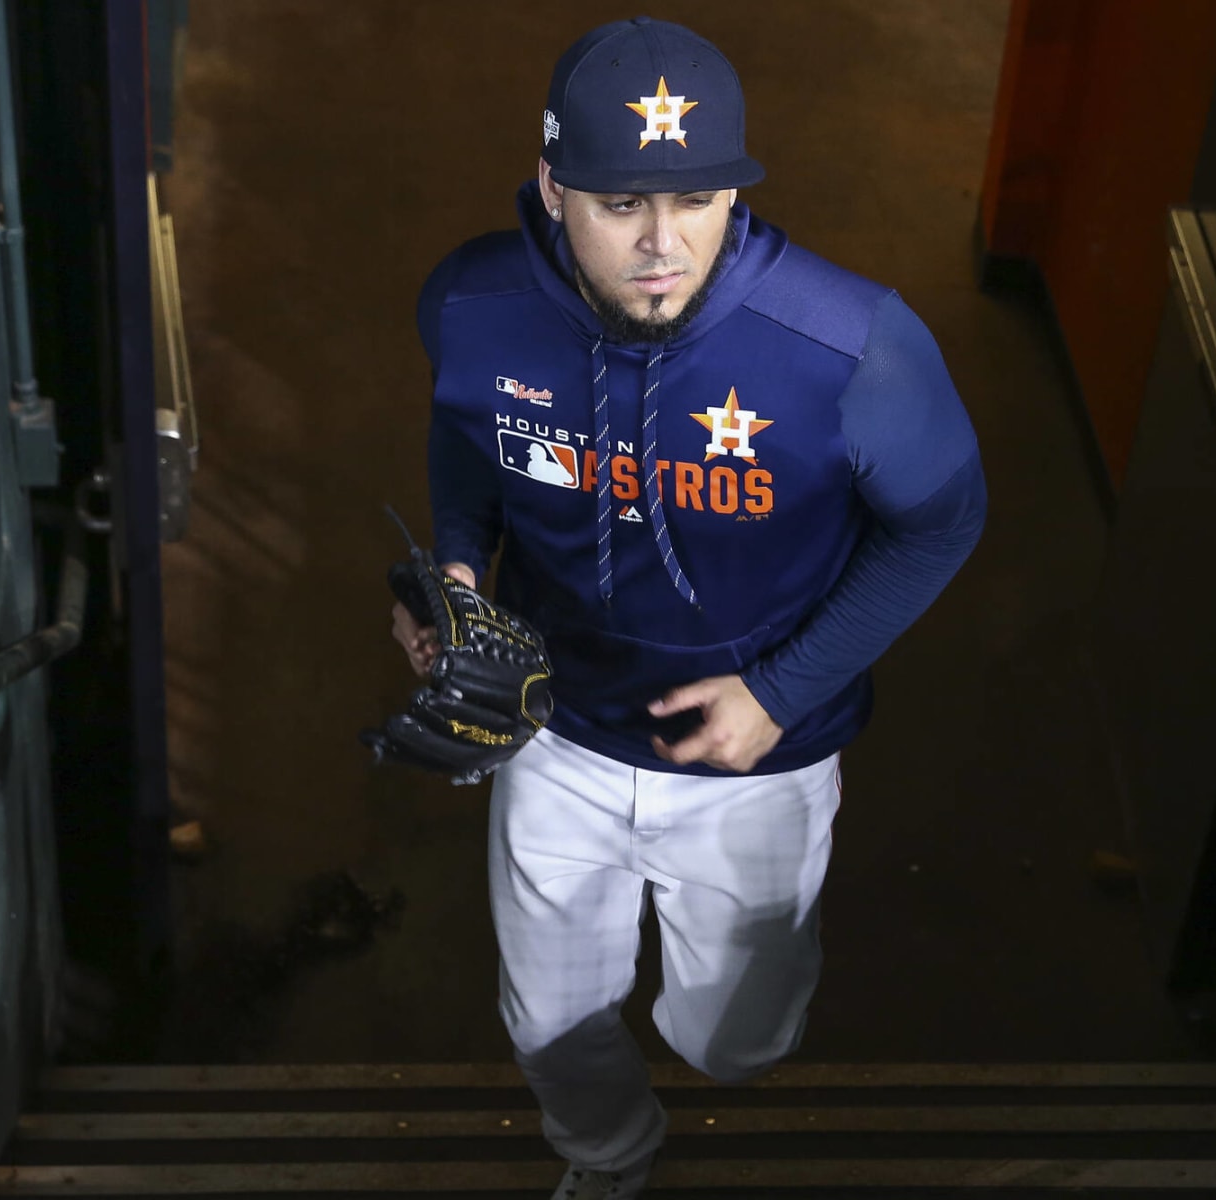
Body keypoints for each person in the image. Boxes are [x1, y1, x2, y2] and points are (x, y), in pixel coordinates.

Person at [392, 16, 986, 1199]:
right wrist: (454, 574)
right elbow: (469, 443)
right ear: (554, 184)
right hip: (554, 732)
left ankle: (727, 1036)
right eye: (621, 207)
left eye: (700, 200)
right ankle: (609, 1166)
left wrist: (781, 692)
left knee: (733, 1043)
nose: (665, 246)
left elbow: (942, 522)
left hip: (759, 756)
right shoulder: (470, 303)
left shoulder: (849, 346)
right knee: (550, 1024)